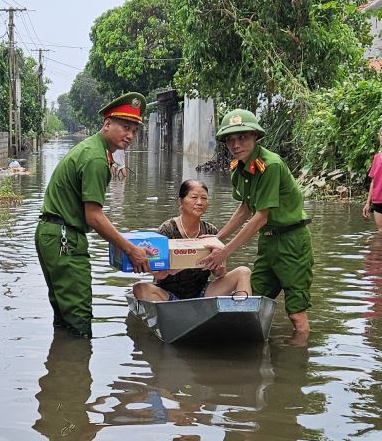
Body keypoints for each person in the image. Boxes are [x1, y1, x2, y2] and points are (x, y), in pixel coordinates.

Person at [35, 91, 153, 337]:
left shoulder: (92, 149)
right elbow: (94, 217)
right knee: (78, 320)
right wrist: (130, 249)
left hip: (53, 235)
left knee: (64, 315)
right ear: (107, 124)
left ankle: (63, 366)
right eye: (124, 127)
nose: (130, 135)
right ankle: (76, 368)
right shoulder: (96, 159)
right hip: (64, 239)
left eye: (134, 130)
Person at [204, 108, 313, 342]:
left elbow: (260, 216)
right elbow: (245, 207)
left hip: (292, 242)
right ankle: (252, 356)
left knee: (296, 313)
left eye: (242, 137)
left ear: (255, 136)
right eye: (230, 139)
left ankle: (295, 364)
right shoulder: (239, 168)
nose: (236, 144)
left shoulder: (270, 165)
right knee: (251, 301)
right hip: (269, 243)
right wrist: (217, 238)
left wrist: (224, 252)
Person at [132, 178, 253, 303]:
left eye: (204, 198)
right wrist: (176, 266)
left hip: (202, 293)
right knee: (140, 288)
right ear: (181, 201)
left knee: (243, 272)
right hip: (168, 296)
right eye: (194, 197)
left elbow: (219, 274)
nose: (199, 202)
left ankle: (243, 314)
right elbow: (158, 274)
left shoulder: (210, 231)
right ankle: (169, 314)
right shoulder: (167, 230)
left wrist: (219, 255)